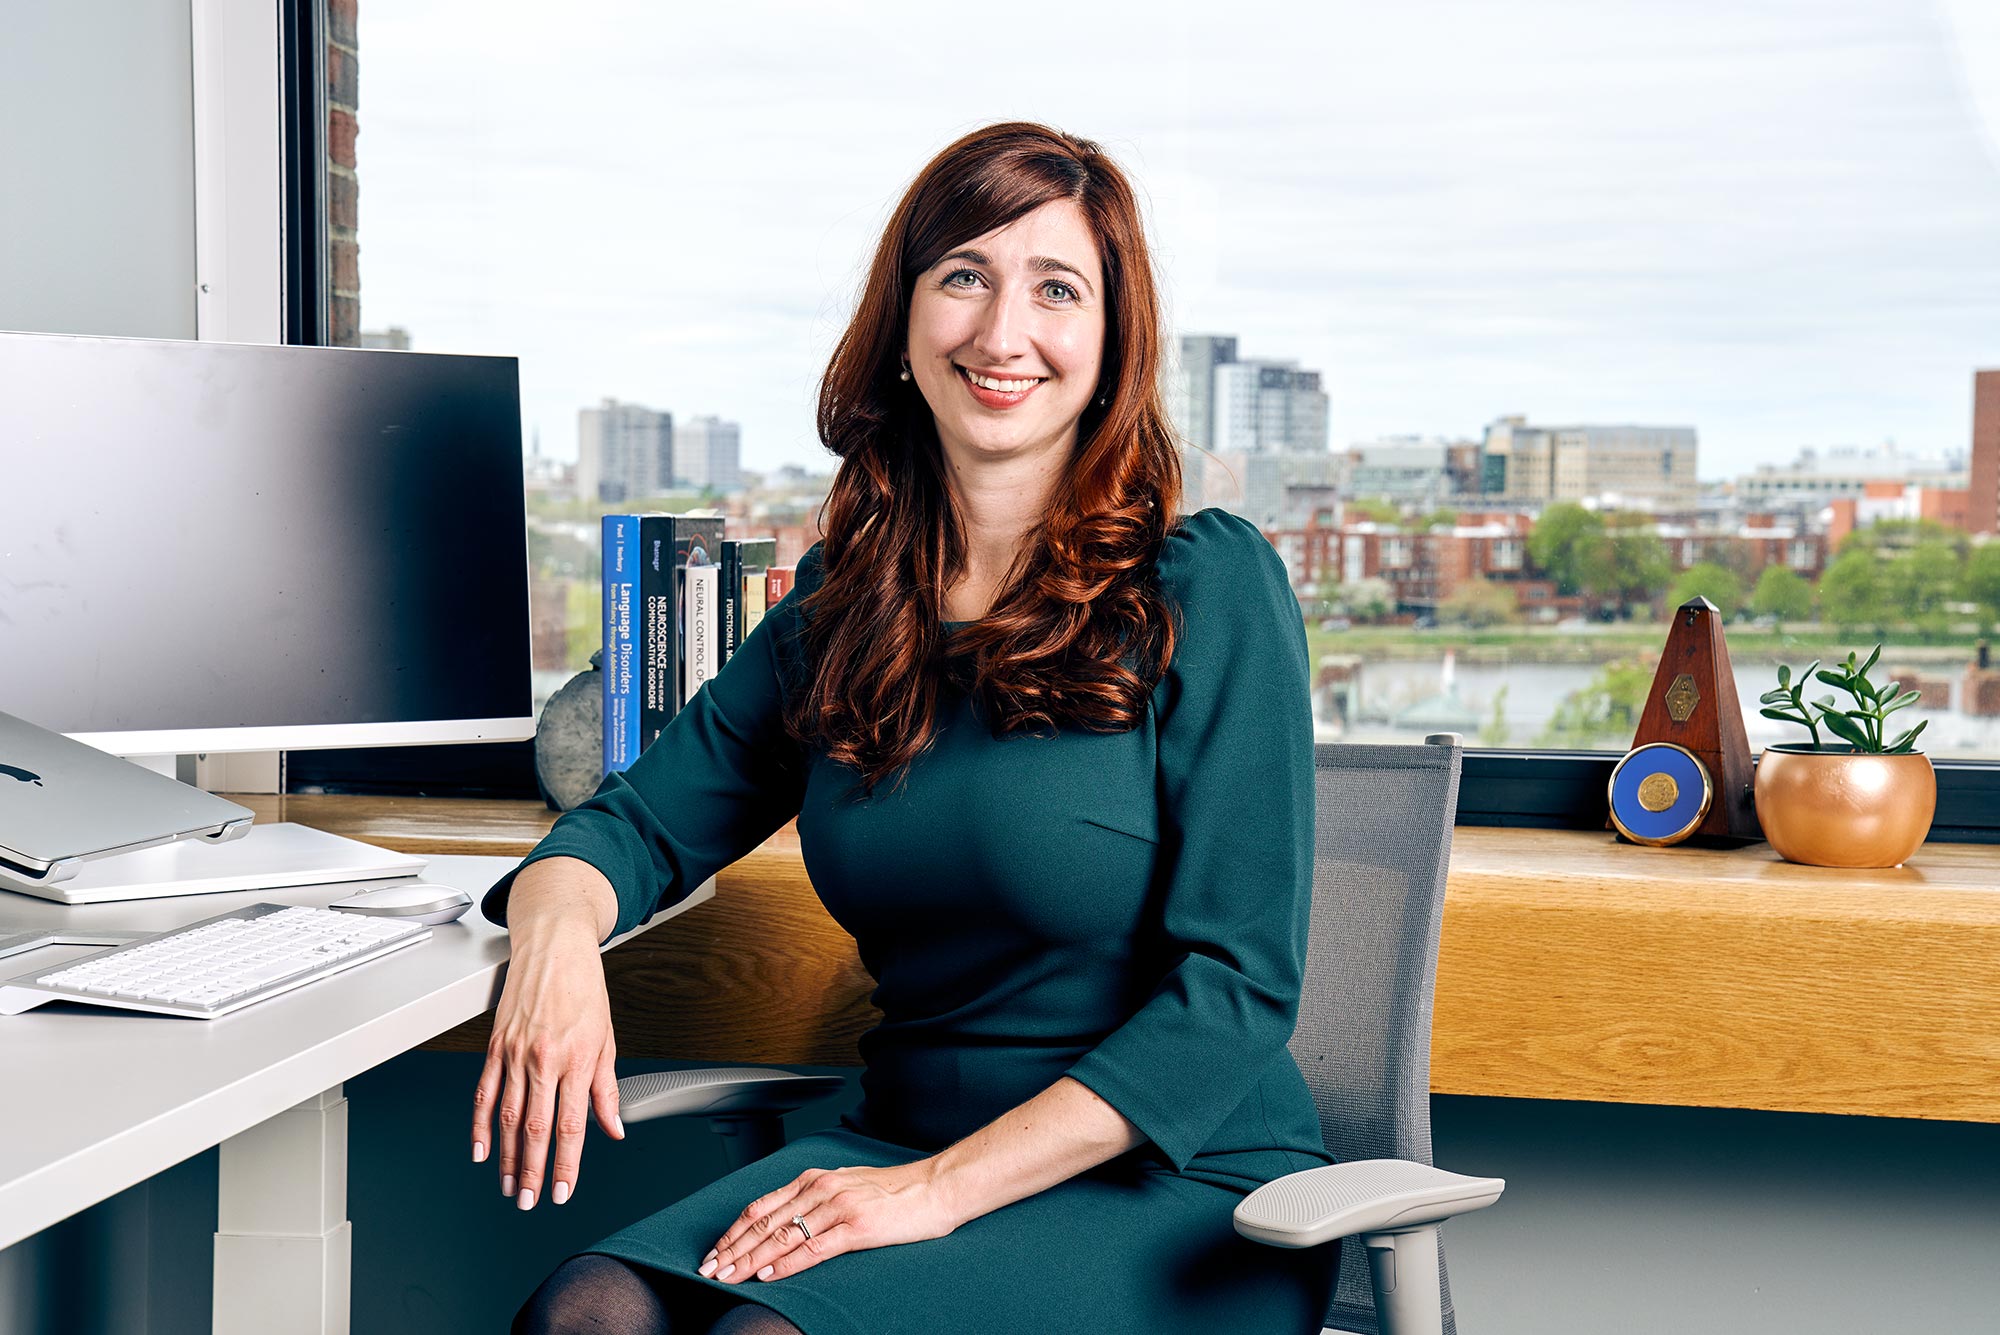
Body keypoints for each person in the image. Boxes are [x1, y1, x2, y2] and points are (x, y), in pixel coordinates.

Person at [476, 120, 1340, 1335]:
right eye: (963, 278)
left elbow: (1238, 991)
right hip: (899, 1148)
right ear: (905, 319)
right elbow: (634, 826)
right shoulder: (842, 606)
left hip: (1172, 1190)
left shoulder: (1205, 586)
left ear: (1109, 342)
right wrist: (557, 942)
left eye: (1054, 289)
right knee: (589, 1317)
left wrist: (937, 1194)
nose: (1001, 333)